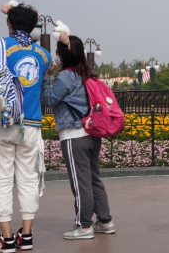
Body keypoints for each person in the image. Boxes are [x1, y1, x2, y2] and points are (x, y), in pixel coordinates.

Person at [0, 1, 50, 252]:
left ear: (9, 24)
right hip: (31, 124)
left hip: (1, 124)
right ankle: (26, 235)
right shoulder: (44, 55)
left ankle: (6, 238)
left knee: (0, 178)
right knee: (29, 178)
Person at [40, 29, 115, 240]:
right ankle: (105, 221)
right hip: (92, 133)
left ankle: (84, 226)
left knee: (80, 182)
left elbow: (48, 99)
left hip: (74, 135)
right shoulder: (88, 75)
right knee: (93, 179)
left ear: (64, 54)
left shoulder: (65, 76)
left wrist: (46, 78)